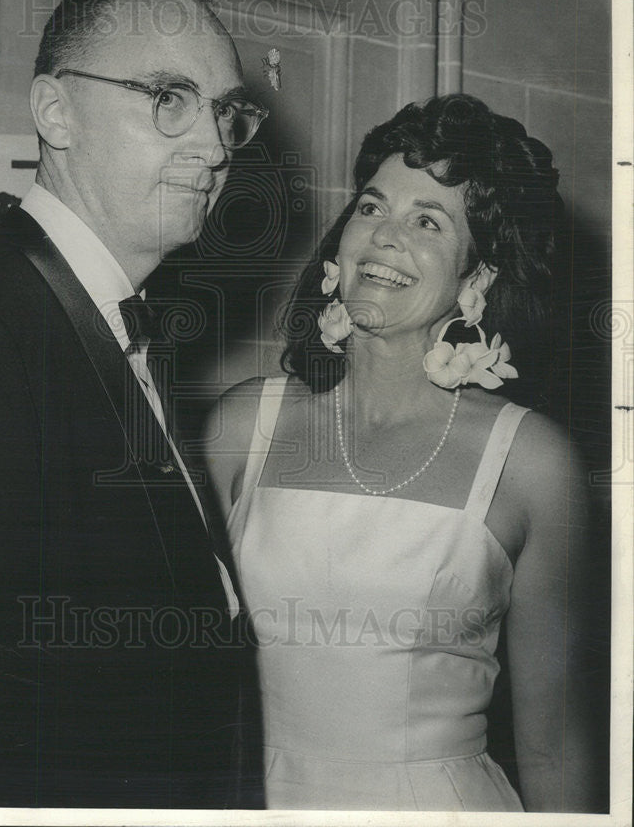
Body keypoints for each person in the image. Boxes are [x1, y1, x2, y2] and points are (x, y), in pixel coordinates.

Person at [0, 0, 268, 808]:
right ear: (55, 112)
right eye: (169, 97)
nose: (212, 148)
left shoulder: (92, 315)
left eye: (226, 112)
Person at [203, 94, 599, 811]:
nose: (385, 237)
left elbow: (553, 744)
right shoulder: (241, 425)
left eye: (427, 221)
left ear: (475, 282)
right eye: (371, 207)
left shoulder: (533, 462)